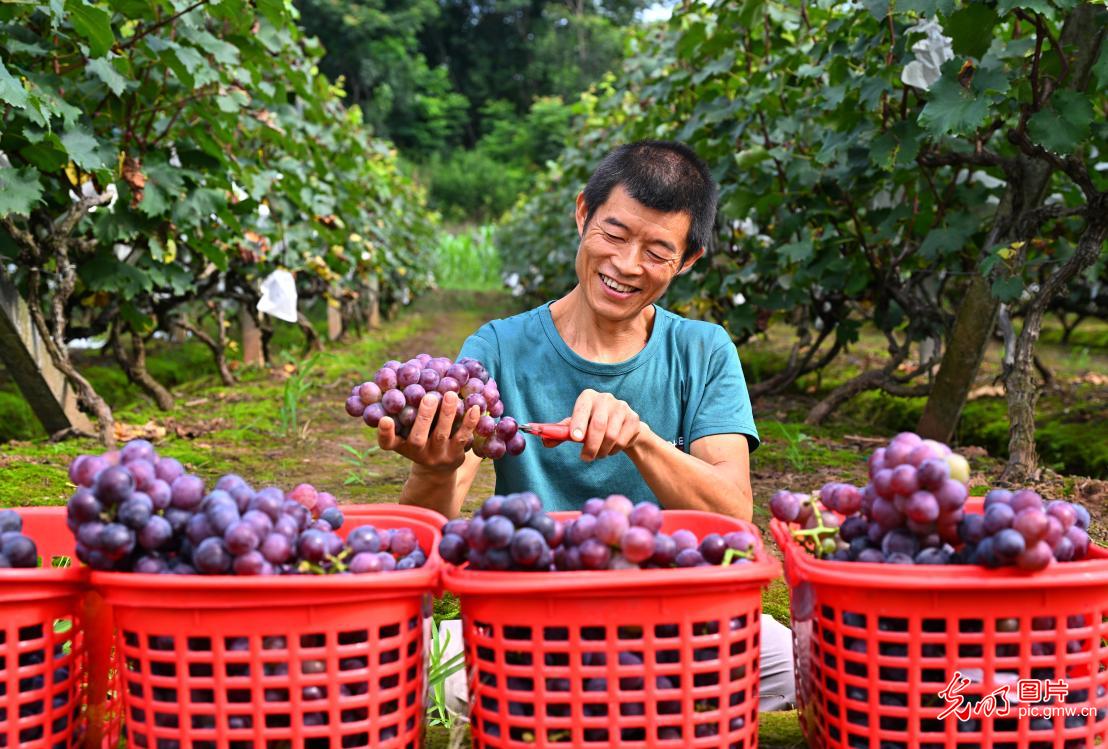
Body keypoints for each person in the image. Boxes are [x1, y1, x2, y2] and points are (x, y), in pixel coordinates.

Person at [381, 139, 794, 710]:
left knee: (806, 663)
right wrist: (437, 467)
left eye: (656, 251)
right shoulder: (498, 348)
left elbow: (732, 518)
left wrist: (640, 439)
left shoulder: (704, 351)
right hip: (531, 625)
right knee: (387, 667)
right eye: (615, 235)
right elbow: (424, 536)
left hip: (671, 624)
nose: (626, 265)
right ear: (583, 214)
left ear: (689, 259)